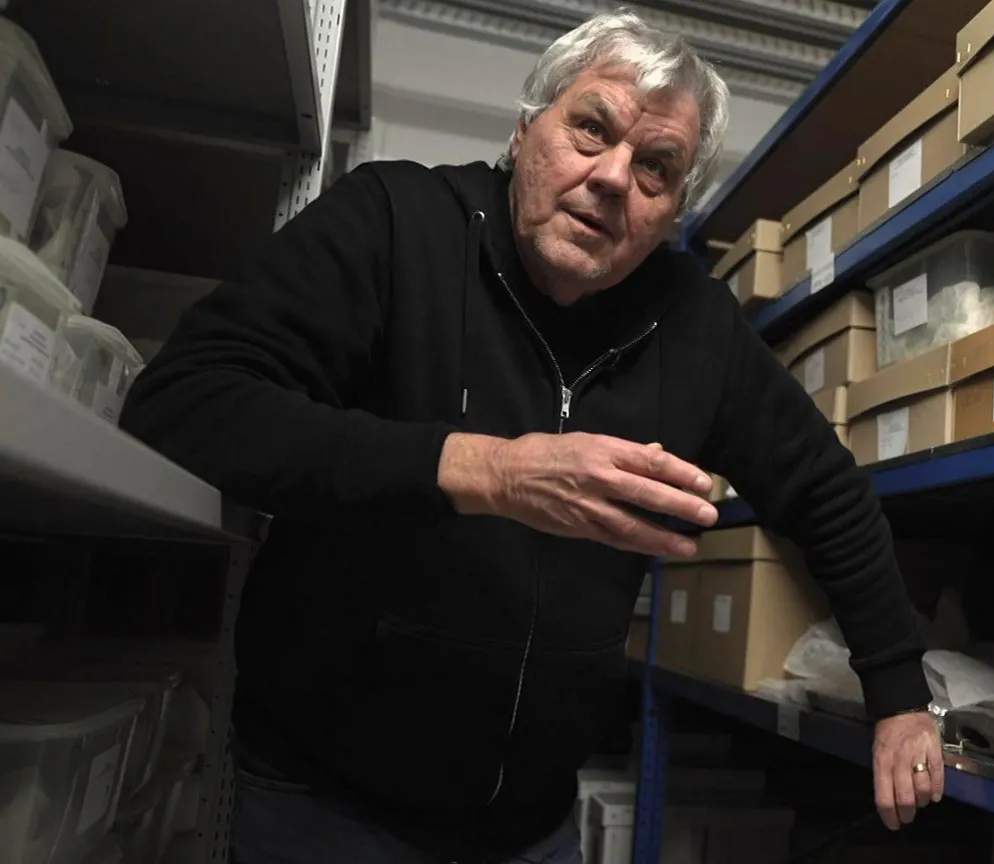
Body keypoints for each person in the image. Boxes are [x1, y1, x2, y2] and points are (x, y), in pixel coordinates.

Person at [122, 10, 940, 864]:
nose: (615, 176)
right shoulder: (396, 223)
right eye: (592, 128)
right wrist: (482, 468)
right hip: (326, 805)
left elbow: (827, 491)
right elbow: (182, 404)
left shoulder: (695, 324)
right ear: (524, 131)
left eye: (656, 168)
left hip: (533, 827)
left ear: (670, 213)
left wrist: (898, 690)